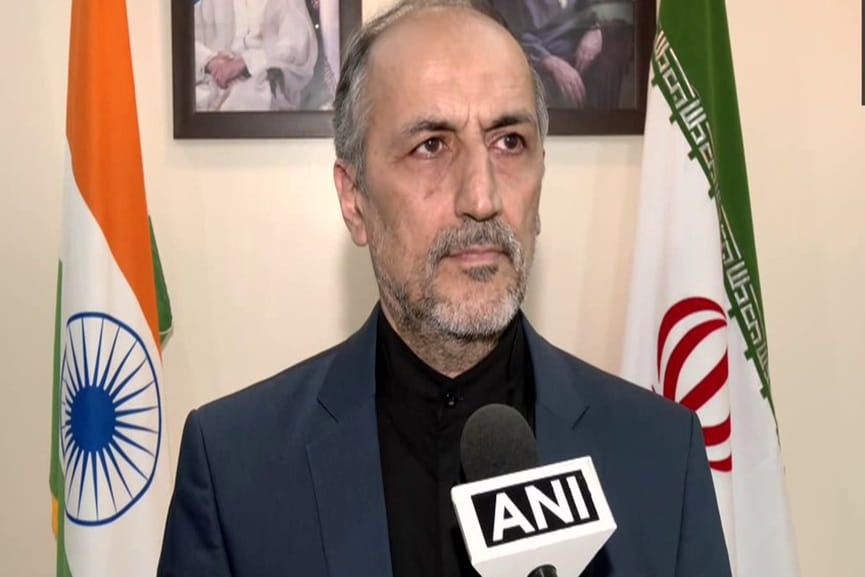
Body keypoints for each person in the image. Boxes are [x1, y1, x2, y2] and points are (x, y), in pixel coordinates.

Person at [158, 2, 732, 576]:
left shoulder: (661, 456)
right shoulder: (235, 470)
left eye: (509, 142)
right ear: (354, 199)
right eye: (431, 145)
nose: (482, 198)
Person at [492, 0, 636, 109]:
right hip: (536, 57)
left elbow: (613, 8)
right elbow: (507, 31)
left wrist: (598, 30)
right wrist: (550, 62)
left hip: (581, 46)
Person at [194, 0, 318, 111]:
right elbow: (188, 39)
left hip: (262, 79)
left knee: (246, 100)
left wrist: (245, 63)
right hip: (212, 78)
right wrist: (211, 61)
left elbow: (294, 46)